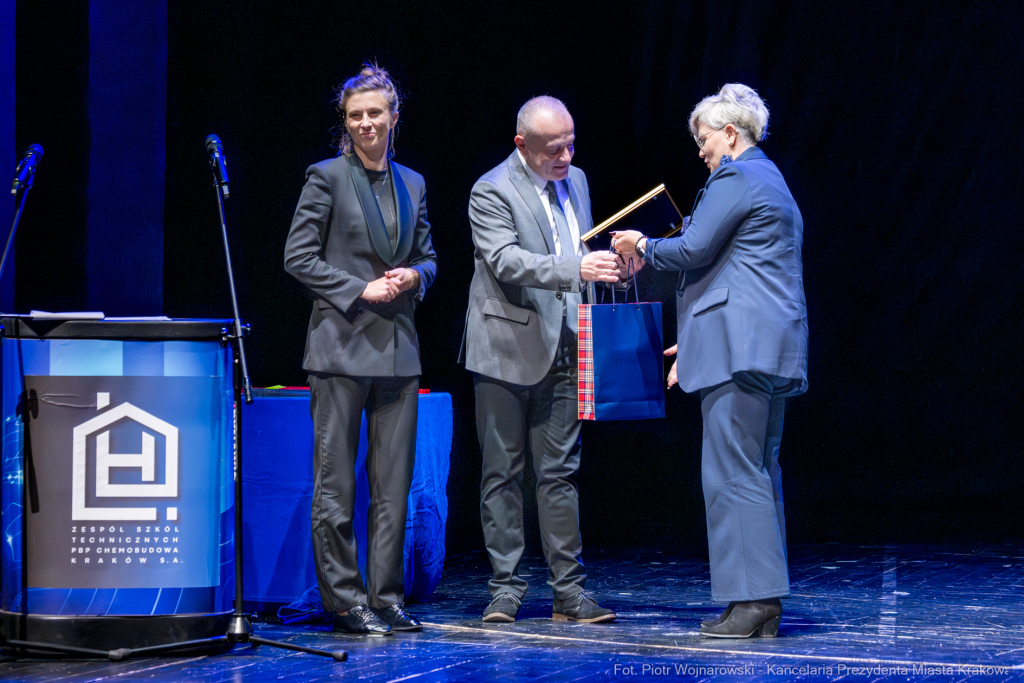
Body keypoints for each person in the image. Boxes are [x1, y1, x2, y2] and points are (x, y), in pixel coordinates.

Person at [613, 83, 808, 638]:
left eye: (704, 139)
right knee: (756, 470)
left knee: (731, 473)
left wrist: (641, 246)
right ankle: (757, 602)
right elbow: (739, 275)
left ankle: (750, 603)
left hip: (739, 350)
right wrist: (696, 340)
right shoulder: (773, 180)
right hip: (763, 347)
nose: (700, 151)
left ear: (729, 133)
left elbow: (693, 249)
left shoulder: (736, 176)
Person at [283, 64, 437, 636]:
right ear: (344, 123)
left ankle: (388, 595)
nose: (366, 123)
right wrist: (360, 289)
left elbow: (428, 255)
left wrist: (414, 278)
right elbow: (298, 258)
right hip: (340, 350)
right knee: (337, 486)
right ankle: (345, 600)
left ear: (393, 117)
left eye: (376, 113)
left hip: (398, 349)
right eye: (355, 116)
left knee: (394, 488)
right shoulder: (325, 177)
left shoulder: (413, 183)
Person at [460, 96, 623, 624]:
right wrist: (578, 268)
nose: (566, 156)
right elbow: (507, 260)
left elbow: (584, 253)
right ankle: (505, 588)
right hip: (505, 350)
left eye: (571, 143)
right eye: (554, 148)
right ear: (521, 145)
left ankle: (569, 593)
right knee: (502, 474)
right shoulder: (491, 190)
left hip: (567, 347)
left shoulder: (577, 182)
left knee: (560, 475)